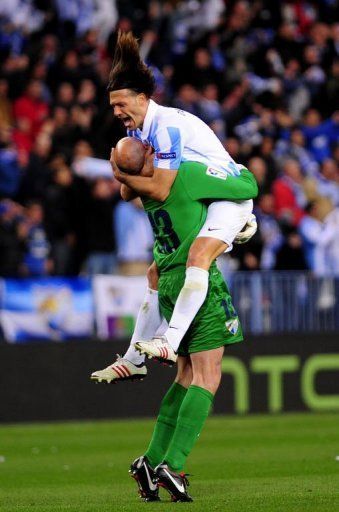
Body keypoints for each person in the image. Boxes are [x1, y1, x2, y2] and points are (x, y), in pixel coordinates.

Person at [93, 137, 256, 502]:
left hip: (166, 280)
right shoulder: (184, 175)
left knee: (185, 375)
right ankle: (174, 465)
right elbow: (247, 185)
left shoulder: (143, 190)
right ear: (151, 156)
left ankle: (150, 462)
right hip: (198, 283)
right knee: (208, 376)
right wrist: (237, 170)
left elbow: (131, 177)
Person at [93, 31, 257, 380]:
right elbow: (131, 193)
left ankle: (170, 339)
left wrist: (120, 173)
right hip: (203, 198)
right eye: (113, 107)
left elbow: (162, 189)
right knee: (155, 272)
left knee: (198, 257)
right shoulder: (138, 135)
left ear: (142, 97)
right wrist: (125, 175)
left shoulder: (166, 127)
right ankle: (132, 360)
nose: (117, 112)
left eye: (122, 104)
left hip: (229, 198)